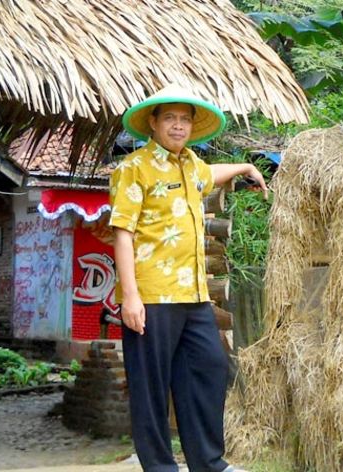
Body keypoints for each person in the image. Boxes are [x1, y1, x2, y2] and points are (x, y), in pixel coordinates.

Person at [109, 83, 267, 472]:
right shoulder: (133, 169)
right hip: (151, 295)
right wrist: (130, 297)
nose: (178, 126)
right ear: (153, 123)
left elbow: (210, 175)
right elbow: (122, 233)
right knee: (151, 387)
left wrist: (246, 167)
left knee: (210, 366)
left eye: (184, 119)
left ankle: (207, 462)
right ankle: (161, 467)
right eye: (170, 119)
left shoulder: (191, 165)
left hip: (193, 295)